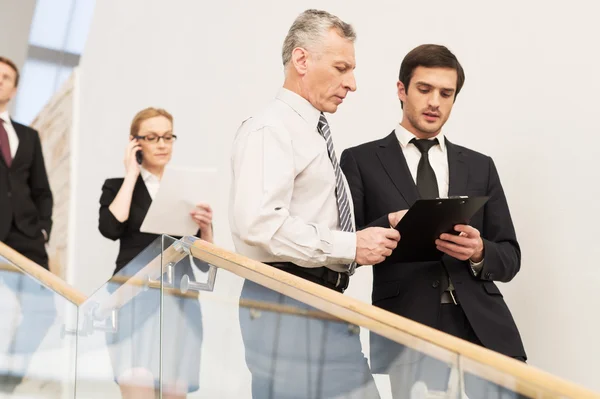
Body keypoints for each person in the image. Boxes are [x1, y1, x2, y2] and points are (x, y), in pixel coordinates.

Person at [230, 9, 399, 399]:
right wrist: (351, 245)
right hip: (286, 299)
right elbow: (258, 225)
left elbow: (313, 216)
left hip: (317, 300)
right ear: (302, 60)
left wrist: (370, 231)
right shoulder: (270, 128)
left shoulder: (311, 132)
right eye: (341, 68)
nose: (351, 83)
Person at [340, 44, 527, 398]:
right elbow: (344, 244)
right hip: (407, 324)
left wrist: (478, 251)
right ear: (401, 90)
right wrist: (391, 222)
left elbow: (510, 257)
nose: (435, 102)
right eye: (424, 89)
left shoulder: (479, 165)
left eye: (446, 93)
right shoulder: (360, 160)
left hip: (485, 325)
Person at [98, 107, 213, 398]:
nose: (162, 144)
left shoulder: (188, 187)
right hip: (132, 295)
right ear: (135, 143)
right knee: (136, 382)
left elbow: (202, 264)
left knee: (175, 390)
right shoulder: (118, 186)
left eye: (167, 136)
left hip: (178, 299)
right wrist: (131, 174)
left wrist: (207, 229)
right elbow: (111, 228)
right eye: (152, 137)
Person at [0, 56, 56, 393]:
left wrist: (43, 228)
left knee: (44, 309)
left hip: (27, 235)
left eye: (6, 77)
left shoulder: (29, 136)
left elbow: (42, 190)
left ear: (15, 88)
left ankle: (8, 376)